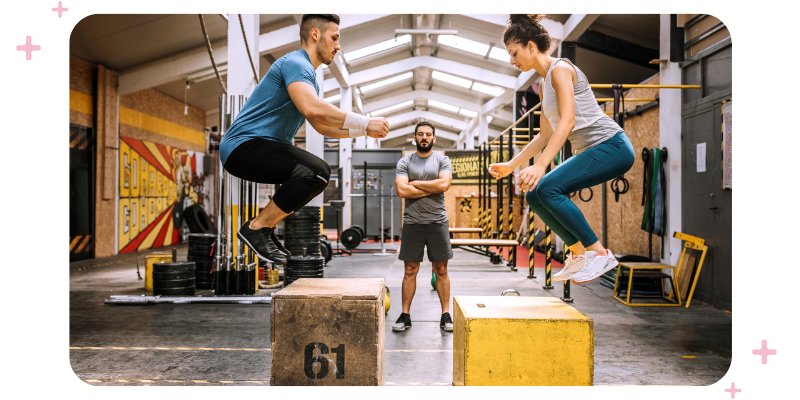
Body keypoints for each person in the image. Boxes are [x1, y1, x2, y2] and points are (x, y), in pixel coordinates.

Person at [219, 14, 389, 263]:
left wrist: (363, 132)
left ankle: (264, 228)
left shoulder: (308, 78)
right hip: (243, 147)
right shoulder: (296, 63)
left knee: (314, 175)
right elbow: (313, 109)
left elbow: (322, 126)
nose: (338, 46)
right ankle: (257, 227)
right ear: (315, 35)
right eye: (334, 38)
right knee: (316, 172)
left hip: (258, 149)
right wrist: (365, 122)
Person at [489, 14, 635, 284]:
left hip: (612, 145)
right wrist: (512, 165)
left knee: (547, 187)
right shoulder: (544, 86)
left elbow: (567, 122)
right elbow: (544, 135)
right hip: (592, 150)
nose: (512, 61)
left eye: (514, 53)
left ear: (531, 46)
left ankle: (599, 254)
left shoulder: (560, 69)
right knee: (535, 195)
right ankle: (578, 253)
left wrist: (540, 166)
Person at [393, 122, 454, 333]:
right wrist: (432, 187)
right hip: (412, 223)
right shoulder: (405, 161)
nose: (424, 137)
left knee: (441, 270)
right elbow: (402, 191)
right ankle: (405, 315)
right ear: (415, 138)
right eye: (420, 134)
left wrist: (414, 183)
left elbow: (444, 185)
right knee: (410, 270)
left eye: (428, 134)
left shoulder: (442, 160)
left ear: (434, 138)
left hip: (438, 222)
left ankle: (445, 314)